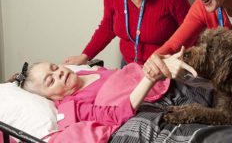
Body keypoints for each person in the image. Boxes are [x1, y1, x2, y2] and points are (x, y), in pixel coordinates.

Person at [10, 49, 196, 127]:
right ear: (51, 98)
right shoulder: (73, 105)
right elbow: (116, 115)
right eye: (50, 81)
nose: (58, 73)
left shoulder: (83, 73)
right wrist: (150, 77)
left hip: (168, 83)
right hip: (159, 98)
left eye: (54, 67)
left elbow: (124, 76)